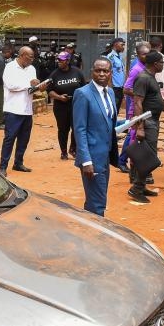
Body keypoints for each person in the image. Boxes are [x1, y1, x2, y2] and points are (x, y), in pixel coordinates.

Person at [72, 58, 119, 216]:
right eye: (98, 70)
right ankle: (96, 236)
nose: (101, 74)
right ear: (92, 71)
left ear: (110, 73)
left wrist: (130, 122)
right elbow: (80, 129)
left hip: (105, 155)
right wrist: (86, 160)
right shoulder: (83, 94)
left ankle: (90, 230)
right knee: (97, 203)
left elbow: (107, 120)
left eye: (105, 71)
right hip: (92, 159)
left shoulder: (110, 92)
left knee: (97, 199)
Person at [128, 51, 164, 204]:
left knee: (147, 155)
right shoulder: (143, 78)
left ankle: (141, 186)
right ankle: (136, 188)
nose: (163, 65)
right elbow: (137, 103)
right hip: (147, 122)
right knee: (148, 157)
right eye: (162, 62)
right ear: (155, 64)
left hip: (152, 121)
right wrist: (140, 127)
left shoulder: (150, 77)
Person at [0, 46, 41, 176]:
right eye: (30, 57)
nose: (32, 60)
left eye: (33, 57)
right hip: (13, 109)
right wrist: (29, 84)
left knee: (24, 139)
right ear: (22, 55)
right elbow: (11, 86)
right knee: (9, 138)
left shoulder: (31, 69)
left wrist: (39, 87)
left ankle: (18, 163)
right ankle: (3, 166)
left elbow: (31, 89)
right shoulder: (10, 67)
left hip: (27, 110)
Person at [117, 42, 151, 174]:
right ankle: (123, 161)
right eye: (144, 54)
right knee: (132, 135)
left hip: (142, 107)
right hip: (135, 107)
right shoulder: (137, 69)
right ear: (138, 55)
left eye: (148, 54)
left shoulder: (146, 67)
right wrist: (141, 95)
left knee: (134, 136)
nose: (146, 56)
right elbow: (126, 89)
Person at [48, 52, 86, 159]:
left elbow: (84, 88)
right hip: (61, 107)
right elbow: (49, 91)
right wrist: (59, 97)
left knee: (76, 128)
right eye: (58, 60)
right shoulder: (54, 74)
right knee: (63, 129)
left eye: (61, 60)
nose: (58, 62)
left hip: (76, 105)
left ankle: (73, 149)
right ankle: (63, 152)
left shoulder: (77, 72)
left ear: (68, 61)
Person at [106, 37, 127, 112]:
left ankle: (113, 123)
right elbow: (108, 73)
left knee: (117, 109)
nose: (123, 47)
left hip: (120, 88)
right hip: (114, 88)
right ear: (115, 44)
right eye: (122, 45)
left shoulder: (119, 56)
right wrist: (110, 88)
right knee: (113, 109)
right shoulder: (111, 57)